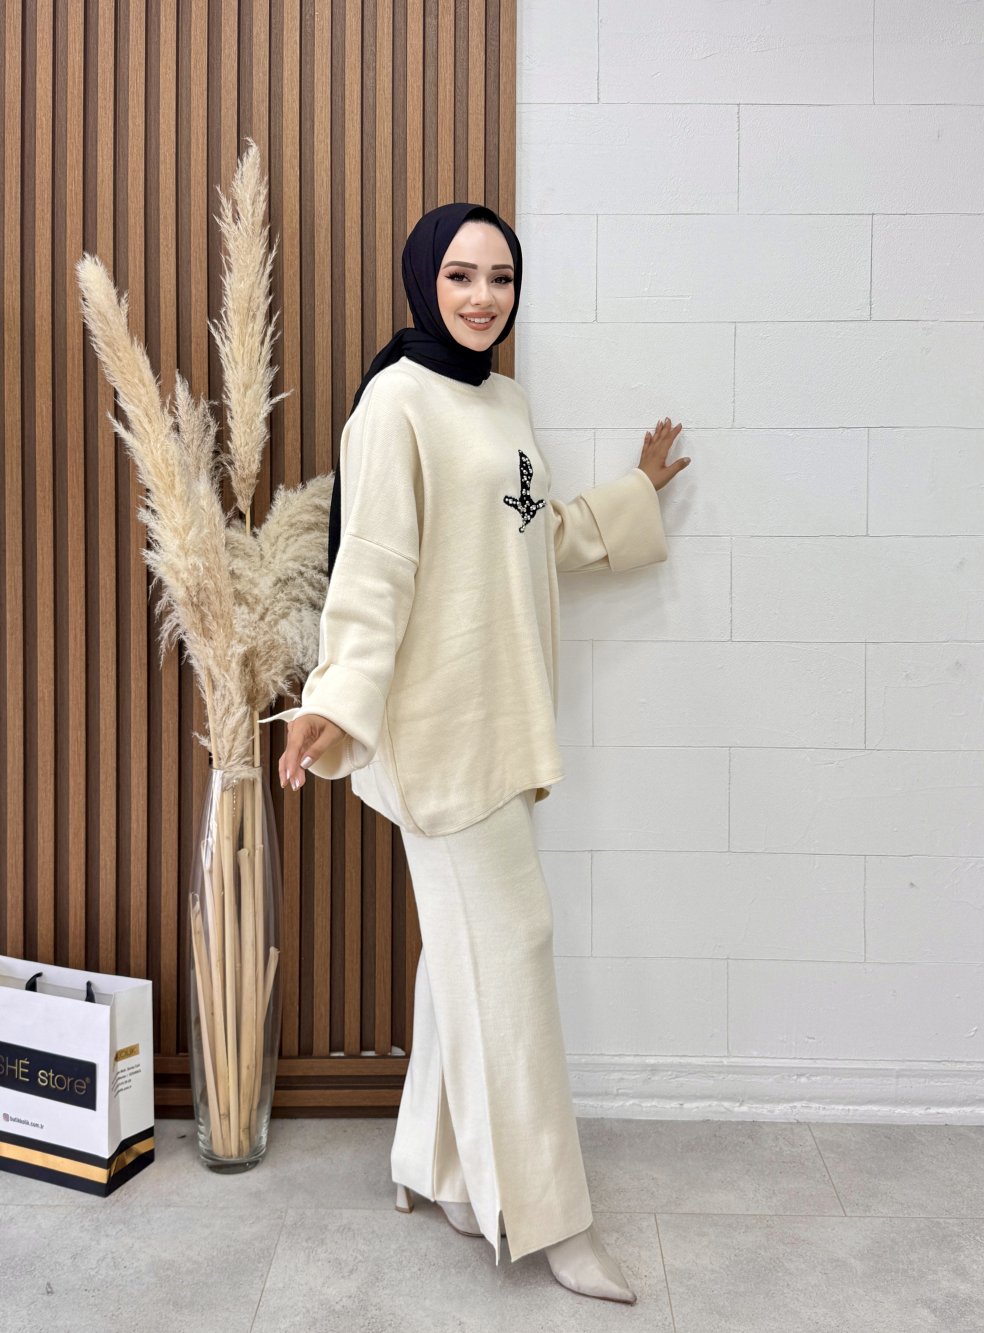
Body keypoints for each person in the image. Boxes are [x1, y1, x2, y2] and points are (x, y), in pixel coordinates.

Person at [259, 202, 690, 1304]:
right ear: (424, 280)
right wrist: (332, 702)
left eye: (500, 277)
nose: (483, 296)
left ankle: (432, 1164)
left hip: (503, 717)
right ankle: (554, 1221)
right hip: (437, 733)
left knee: (463, 954)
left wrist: (635, 494)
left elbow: (533, 536)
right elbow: (374, 569)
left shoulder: (503, 399)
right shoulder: (395, 404)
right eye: (460, 274)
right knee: (514, 946)